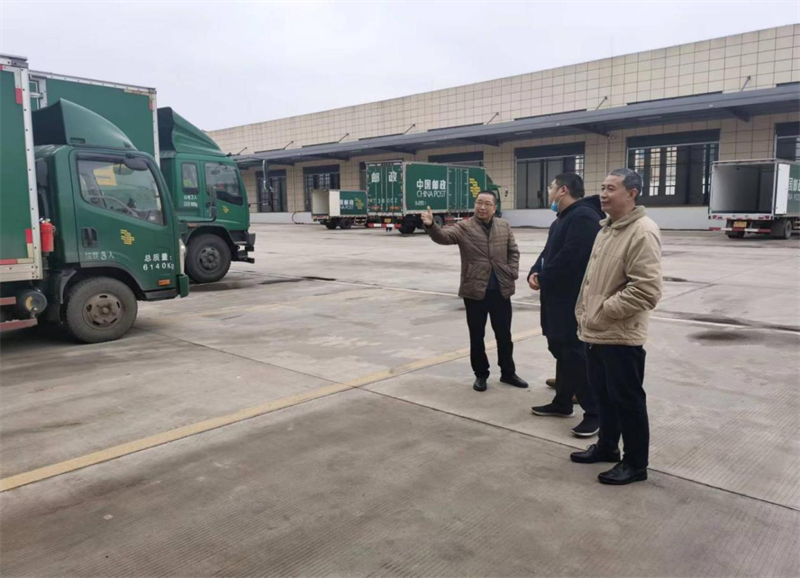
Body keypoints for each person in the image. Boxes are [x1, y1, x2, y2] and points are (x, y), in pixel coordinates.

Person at [570, 168, 663, 486]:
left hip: (620, 335)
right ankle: (607, 447)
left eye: (611, 188)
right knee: (603, 395)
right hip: (597, 332)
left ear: (632, 194)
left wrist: (604, 311)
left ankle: (635, 464)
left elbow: (646, 290)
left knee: (627, 400)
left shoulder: (642, 232)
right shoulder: (607, 228)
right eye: (603, 187)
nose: (603, 194)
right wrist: (587, 313)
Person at [422, 191, 528, 392]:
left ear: (494, 208)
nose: (482, 207)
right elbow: (444, 237)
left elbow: (513, 251)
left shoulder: (504, 226)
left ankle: (508, 372)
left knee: (504, 335)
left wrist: (512, 270)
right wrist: (431, 225)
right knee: (477, 336)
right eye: (479, 202)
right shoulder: (464, 227)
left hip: (501, 290)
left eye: (487, 204)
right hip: (475, 290)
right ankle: (481, 374)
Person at [528, 173, 602, 437]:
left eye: (551, 187)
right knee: (560, 349)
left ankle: (595, 413)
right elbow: (548, 253)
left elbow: (572, 256)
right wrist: (535, 271)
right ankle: (562, 402)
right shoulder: (562, 218)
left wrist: (544, 277)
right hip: (555, 298)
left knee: (573, 354)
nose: (549, 191)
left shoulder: (584, 217)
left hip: (571, 300)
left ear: (563, 190)